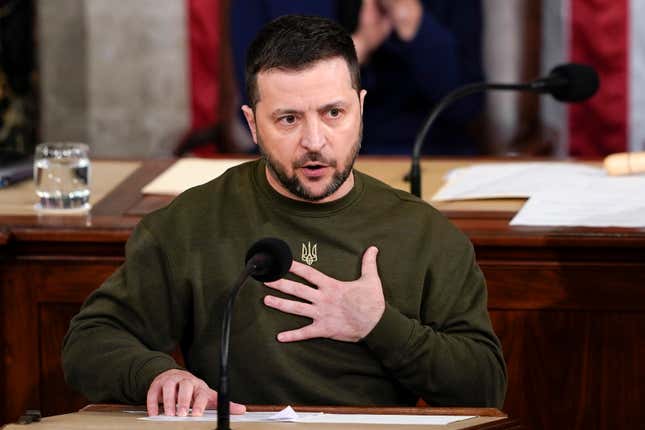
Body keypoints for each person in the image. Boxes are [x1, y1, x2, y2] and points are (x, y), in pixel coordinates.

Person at [62, 15, 506, 417]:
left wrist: (377, 324)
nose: (315, 141)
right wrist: (156, 375)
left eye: (334, 113)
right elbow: (90, 340)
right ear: (252, 124)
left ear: (361, 108)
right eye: (288, 119)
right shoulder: (189, 222)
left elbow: (485, 386)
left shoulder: (425, 234)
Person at [230, 0, 484, 155]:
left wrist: (410, 19)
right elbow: (257, 101)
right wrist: (358, 48)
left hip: (421, 155)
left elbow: (466, 105)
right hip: (303, 155)